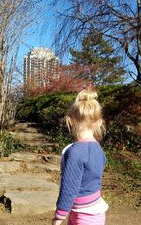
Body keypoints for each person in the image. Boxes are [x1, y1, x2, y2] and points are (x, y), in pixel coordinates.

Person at [52, 88, 109, 225]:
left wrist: (59, 215)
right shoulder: (98, 149)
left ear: (70, 121)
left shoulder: (75, 151)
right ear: (99, 122)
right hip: (93, 210)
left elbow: (69, 187)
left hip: (84, 215)